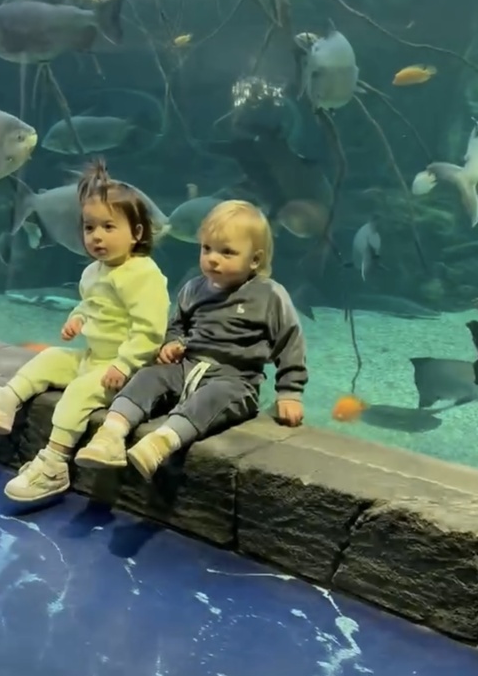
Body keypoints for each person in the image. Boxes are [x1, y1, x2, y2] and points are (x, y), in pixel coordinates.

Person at [0, 161, 169, 503]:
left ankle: (54, 463)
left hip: (126, 372)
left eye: (108, 226)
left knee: (79, 393)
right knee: (50, 357)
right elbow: (91, 304)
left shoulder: (144, 274)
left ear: (137, 233)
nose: (97, 236)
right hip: (93, 357)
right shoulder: (94, 272)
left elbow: (150, 331)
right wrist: (77, 318)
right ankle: (4, 401)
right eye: (89, 227)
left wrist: (124, 365)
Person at [76, 199, 307, 480]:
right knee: (148, 376)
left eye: (227, 252)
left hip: (235, 380)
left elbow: (290, 342)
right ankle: (110, 434)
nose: (212, 258)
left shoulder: (269, 295)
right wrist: (171, 344)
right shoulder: (194, 288)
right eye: (206, 248)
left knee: (212, 398)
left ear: (255, 260)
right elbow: (177, 325)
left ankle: (159, 444)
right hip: (187, 366)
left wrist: (290, 392)